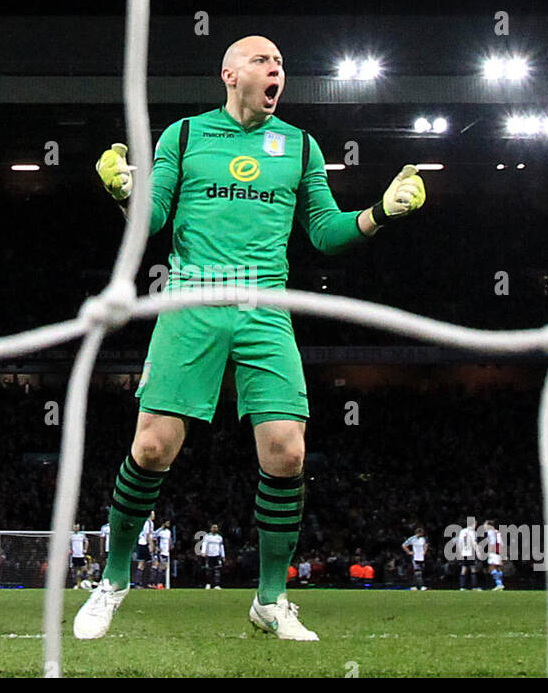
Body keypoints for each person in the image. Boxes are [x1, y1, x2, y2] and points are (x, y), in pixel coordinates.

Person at [75, 35, 426, 642]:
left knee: (288, 452)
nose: (277, 71)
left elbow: (324, 232)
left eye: (282, 65)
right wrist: (124, 191)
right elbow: (154, 218)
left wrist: (380, 212)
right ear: (229, 73)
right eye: (265, 61)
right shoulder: (183, 136)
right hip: (193, 299)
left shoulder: (299, 145)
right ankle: (112, 581)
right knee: (153, 448)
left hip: (266, 305)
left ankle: (270, 600)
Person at [402, 526, 427, 591]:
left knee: (420, 572)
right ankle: (421, 586)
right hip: (415, 557)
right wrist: (409, 552)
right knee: (418, 572)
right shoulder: (412, 539)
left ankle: (414, 586)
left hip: (421, 557)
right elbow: (404, 545)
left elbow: (425, 545)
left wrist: (424, 551)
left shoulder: (423, 539)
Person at [201, 523, 225, 589]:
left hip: (217, 555)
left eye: (216, 527)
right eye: (213, 527)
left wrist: (223, 555)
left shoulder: (219, 537)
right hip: (209, 555)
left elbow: (221, 547)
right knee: (209, 570)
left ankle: (216, 585)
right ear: (210, 529)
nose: (214, 529)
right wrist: (203, 552)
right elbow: (204, 544)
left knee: (217, 570)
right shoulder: (207, 537)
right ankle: (208, 584)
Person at [458, 517, 479, 590]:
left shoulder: (462, 531)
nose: (476, 525)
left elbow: (460, 542)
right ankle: (474, 586)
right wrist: (478, 552)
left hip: (464, 552)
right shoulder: (473, 532)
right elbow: (474, 543)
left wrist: (460, 552)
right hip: (471, 552)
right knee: (473, 569)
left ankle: (462, 586)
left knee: (464, 568)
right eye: (475, 523)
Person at [483, 520, 505, 590]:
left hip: (494, 551)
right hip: (499, 551)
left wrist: (489, 552)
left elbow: (492, 543)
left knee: (491, 567)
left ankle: (499, 584)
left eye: (485, 524)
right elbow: (501, 543)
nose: (484, 526)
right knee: (498, 568)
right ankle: (500, 584)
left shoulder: (490, 532)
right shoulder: (497, 532)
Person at [151, 519, 173, 589]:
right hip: (160, 552)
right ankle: (154, 583)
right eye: (167, 522)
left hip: (166, 552)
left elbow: (169, 540)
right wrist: (156, 547)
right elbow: (153, 538)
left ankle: (159, 583)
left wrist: (170, 546)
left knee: (163, 567)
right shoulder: (159, 531)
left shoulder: (168, 532)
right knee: (158, 566)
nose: (168, 524)